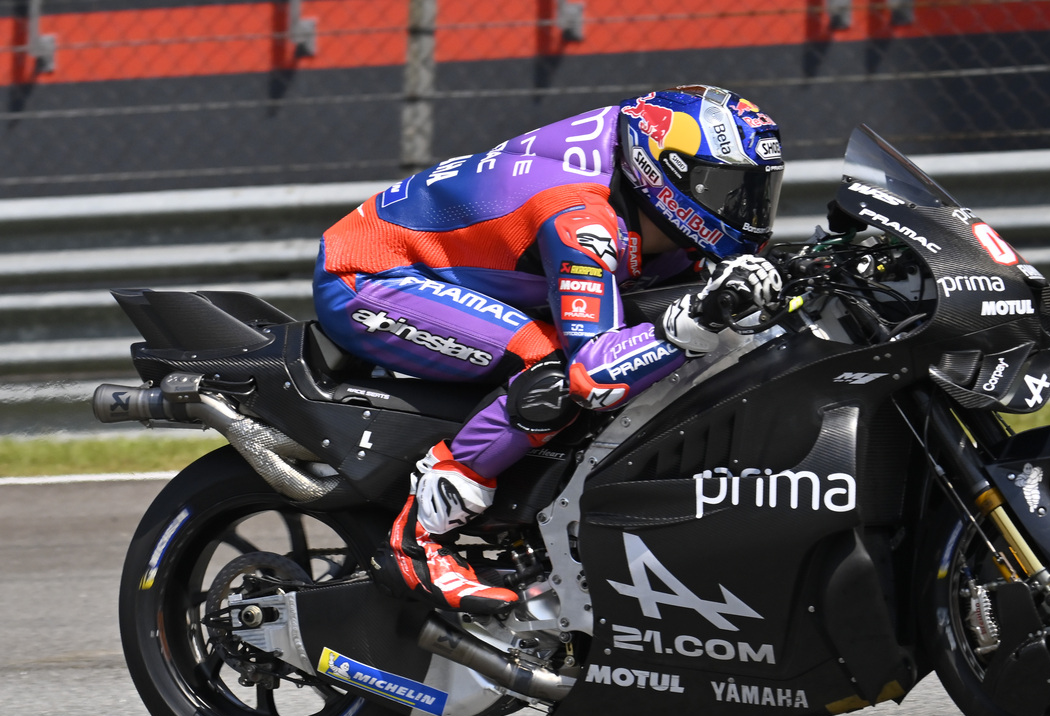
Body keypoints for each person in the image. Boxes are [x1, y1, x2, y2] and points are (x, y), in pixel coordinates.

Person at [313, 85, 785, 614]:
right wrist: (694, 321)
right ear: (664, 173)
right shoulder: (580, 215)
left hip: (456, 266)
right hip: (370, 277)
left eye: (756, 192)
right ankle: (417, 542)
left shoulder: (639, 154)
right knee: (554, 372)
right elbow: (593, 376)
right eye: (725, 190)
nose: (744, 212)